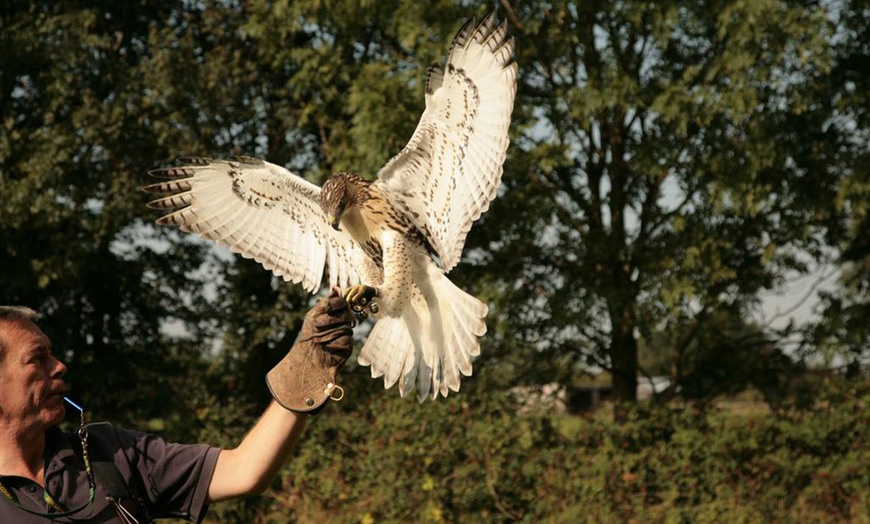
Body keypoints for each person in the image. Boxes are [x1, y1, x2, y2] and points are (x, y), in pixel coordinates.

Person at [0, 291, 354, 523]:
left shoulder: (108, 452)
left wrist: (306, 374)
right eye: (37, 358)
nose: (59, 366)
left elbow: (243, 471)